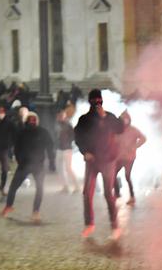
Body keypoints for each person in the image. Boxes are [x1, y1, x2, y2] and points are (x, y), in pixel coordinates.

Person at [74, 89, 125, 240]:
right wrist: (84, 152)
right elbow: (77, 137)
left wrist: (105, 117)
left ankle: (115, 225)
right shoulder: (84, 119)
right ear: (90, 101)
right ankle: (89, 223)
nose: (97, 103)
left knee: (108, 193)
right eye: (94, 100)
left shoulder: (108, 116)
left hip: (108, 159)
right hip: (92, 160)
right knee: (87, 193)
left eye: (99, 100)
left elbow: (120, 128)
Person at [0, 112, 55, 223]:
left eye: (33, 119)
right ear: (26, 121)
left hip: (37, 165)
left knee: (39, 189)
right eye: (30, 119)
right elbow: (17, 147)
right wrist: (20, 160)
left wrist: (51, 162)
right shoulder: (22, 132)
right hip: (25, 165)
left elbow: (50, 146)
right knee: (14, 187)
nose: (32, 121)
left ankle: (35, 212)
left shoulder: (42, 132)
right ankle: (9, 206)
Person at [114, 111, 146, 205]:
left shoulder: (133, 130)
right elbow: (113, 140)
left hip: (129, 157)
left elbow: (143, 138)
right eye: (122, 119)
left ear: (129, 120)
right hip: (119, 157)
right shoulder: (117, 130)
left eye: (126, 119)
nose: (124, 121)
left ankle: (132, 197)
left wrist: (135, 146)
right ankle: (117, 193)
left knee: (127, 176)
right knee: (112, 174)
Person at [55, 108, 79, 193]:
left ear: (64, 116)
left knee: (68, 168)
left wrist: (68, 143)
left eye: (62, 115)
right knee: (60, 168)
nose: (60, 117)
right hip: (60, 148)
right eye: (59, 115)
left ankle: (77, 186)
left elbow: (73, 136)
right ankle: (65, 186)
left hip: (67, 149)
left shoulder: (68, 125)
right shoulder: (58, 124)